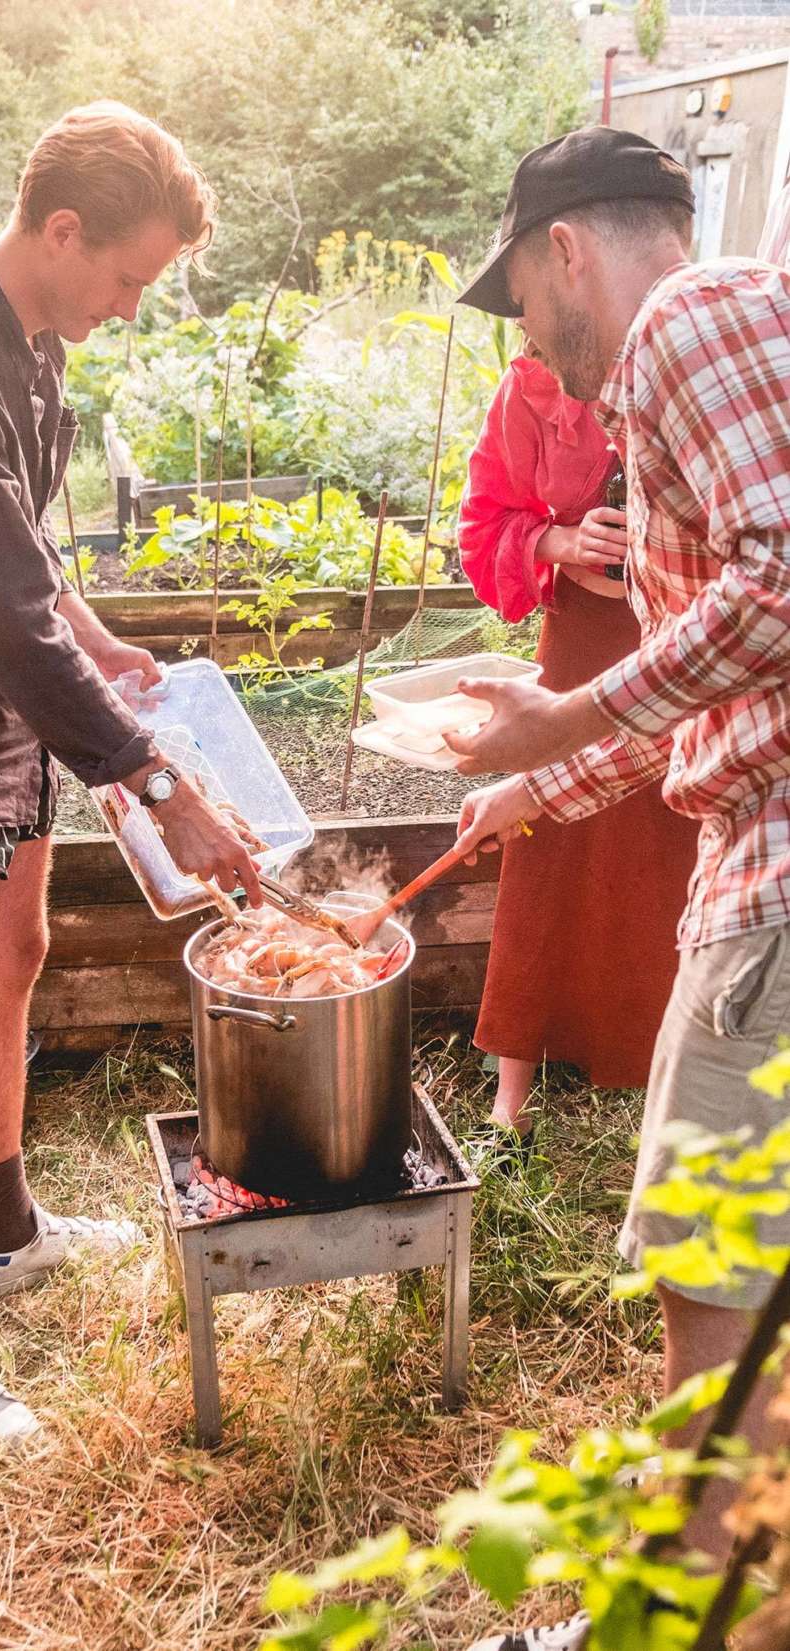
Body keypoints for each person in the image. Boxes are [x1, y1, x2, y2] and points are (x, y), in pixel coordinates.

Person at [0, 101, 263, 1455]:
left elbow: (28, 553)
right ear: (61, 229)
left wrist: (109, 649)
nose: (134, 306)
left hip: (8, 704)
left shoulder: (33, 347)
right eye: (128, 277)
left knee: (23, 952)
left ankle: (5, 1232)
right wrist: (156, 780)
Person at [449, 125, 790, 1651]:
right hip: (756, 857)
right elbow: (712, 692)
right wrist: (530, 785)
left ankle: (670, 1625)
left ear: (565, 249)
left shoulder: (688, 320)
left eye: (521, 297)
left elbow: (783, 580)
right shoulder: (736, 327)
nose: (532, 335)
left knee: (713, 1287)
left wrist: (565, 718)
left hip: (775, 895)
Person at [458, 337, 696, 1152]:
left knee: (672, 837)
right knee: (550, 843)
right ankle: (511, 1097)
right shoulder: (525, 391)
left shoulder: (675, 364)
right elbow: (481, 525)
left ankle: (669, 1066)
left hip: (681, 624)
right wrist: (560, 544)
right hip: (584, 636)